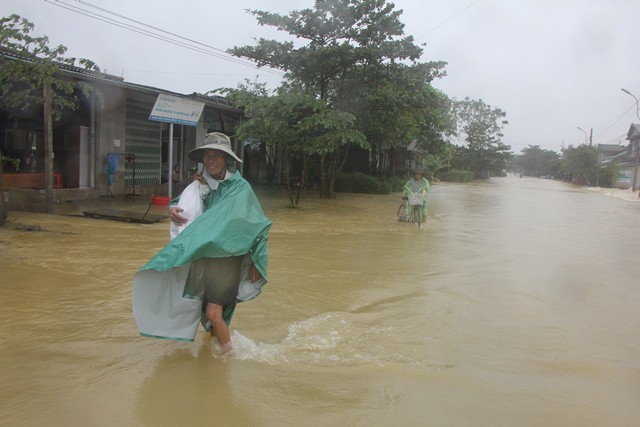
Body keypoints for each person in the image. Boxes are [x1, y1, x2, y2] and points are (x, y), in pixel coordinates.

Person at [132, 132, 272, 356]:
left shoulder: (240, 188)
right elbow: (187, 203)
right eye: (207, 155)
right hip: (204, 256)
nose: (211, 160)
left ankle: (229, 358)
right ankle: (215, 355)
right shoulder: (201, 183)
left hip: (227, 260)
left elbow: (258, 225)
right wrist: (173, 208)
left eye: (217, 155)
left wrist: (257, 261)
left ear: (226, 159)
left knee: (214, 313)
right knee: (206, 313)